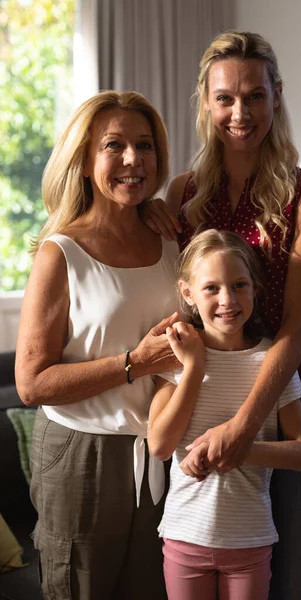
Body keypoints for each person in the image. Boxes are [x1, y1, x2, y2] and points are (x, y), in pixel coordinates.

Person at [142, 30, 301, 600]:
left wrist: (244, 426)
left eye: (255, 95)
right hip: (212, 397)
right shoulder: (183, 193)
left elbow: (300, 322)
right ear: (205, 102)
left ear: (276, 96)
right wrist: (145, 215)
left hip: (299, 396)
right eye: (225, 97)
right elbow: (179, 292)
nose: (240, 112)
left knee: (295, 584)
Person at [15, 90, 181, 600]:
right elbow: (31, 383)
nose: (133, 159)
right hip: (79, 453)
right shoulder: (60, 253)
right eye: (114, 145)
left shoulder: (171, 241)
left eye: (145, 145)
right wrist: (135, 363)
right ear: (86, 162)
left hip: (159, 451)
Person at [147, 229, 301, 600]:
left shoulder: (272, 361)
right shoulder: (175, 356)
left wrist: (236, 447)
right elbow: (159, 446)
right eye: (211, 288)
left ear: (255, 288)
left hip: (250, 541)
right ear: (188, 293)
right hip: (184, 537)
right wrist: (192, 367)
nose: (228, 300)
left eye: (239, 285)